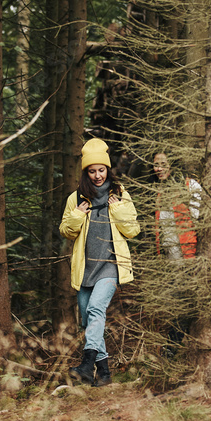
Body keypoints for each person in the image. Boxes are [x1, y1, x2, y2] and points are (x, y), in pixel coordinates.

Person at [59, 138, 140, 386]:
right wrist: (76, 215)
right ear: (86, 172)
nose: (97, 175)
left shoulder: (120, 194)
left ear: (108, 169)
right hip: (85, 269)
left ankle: (86, 365)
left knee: (96, 310)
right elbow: (65, 230)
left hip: (110, 265)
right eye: (92, 171)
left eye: (101, 170)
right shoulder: (76, 198)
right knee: (89, 319)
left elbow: (133, 230)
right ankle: (103, 372)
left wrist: (118, 211)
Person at [152, 152, 201, 260]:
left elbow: (198, 221)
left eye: (163, 164)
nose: (159, 168)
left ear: (172, 165)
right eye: (156, 165)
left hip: (189, 255)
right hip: (169, 258)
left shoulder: (190, 186)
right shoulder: (159, 192)